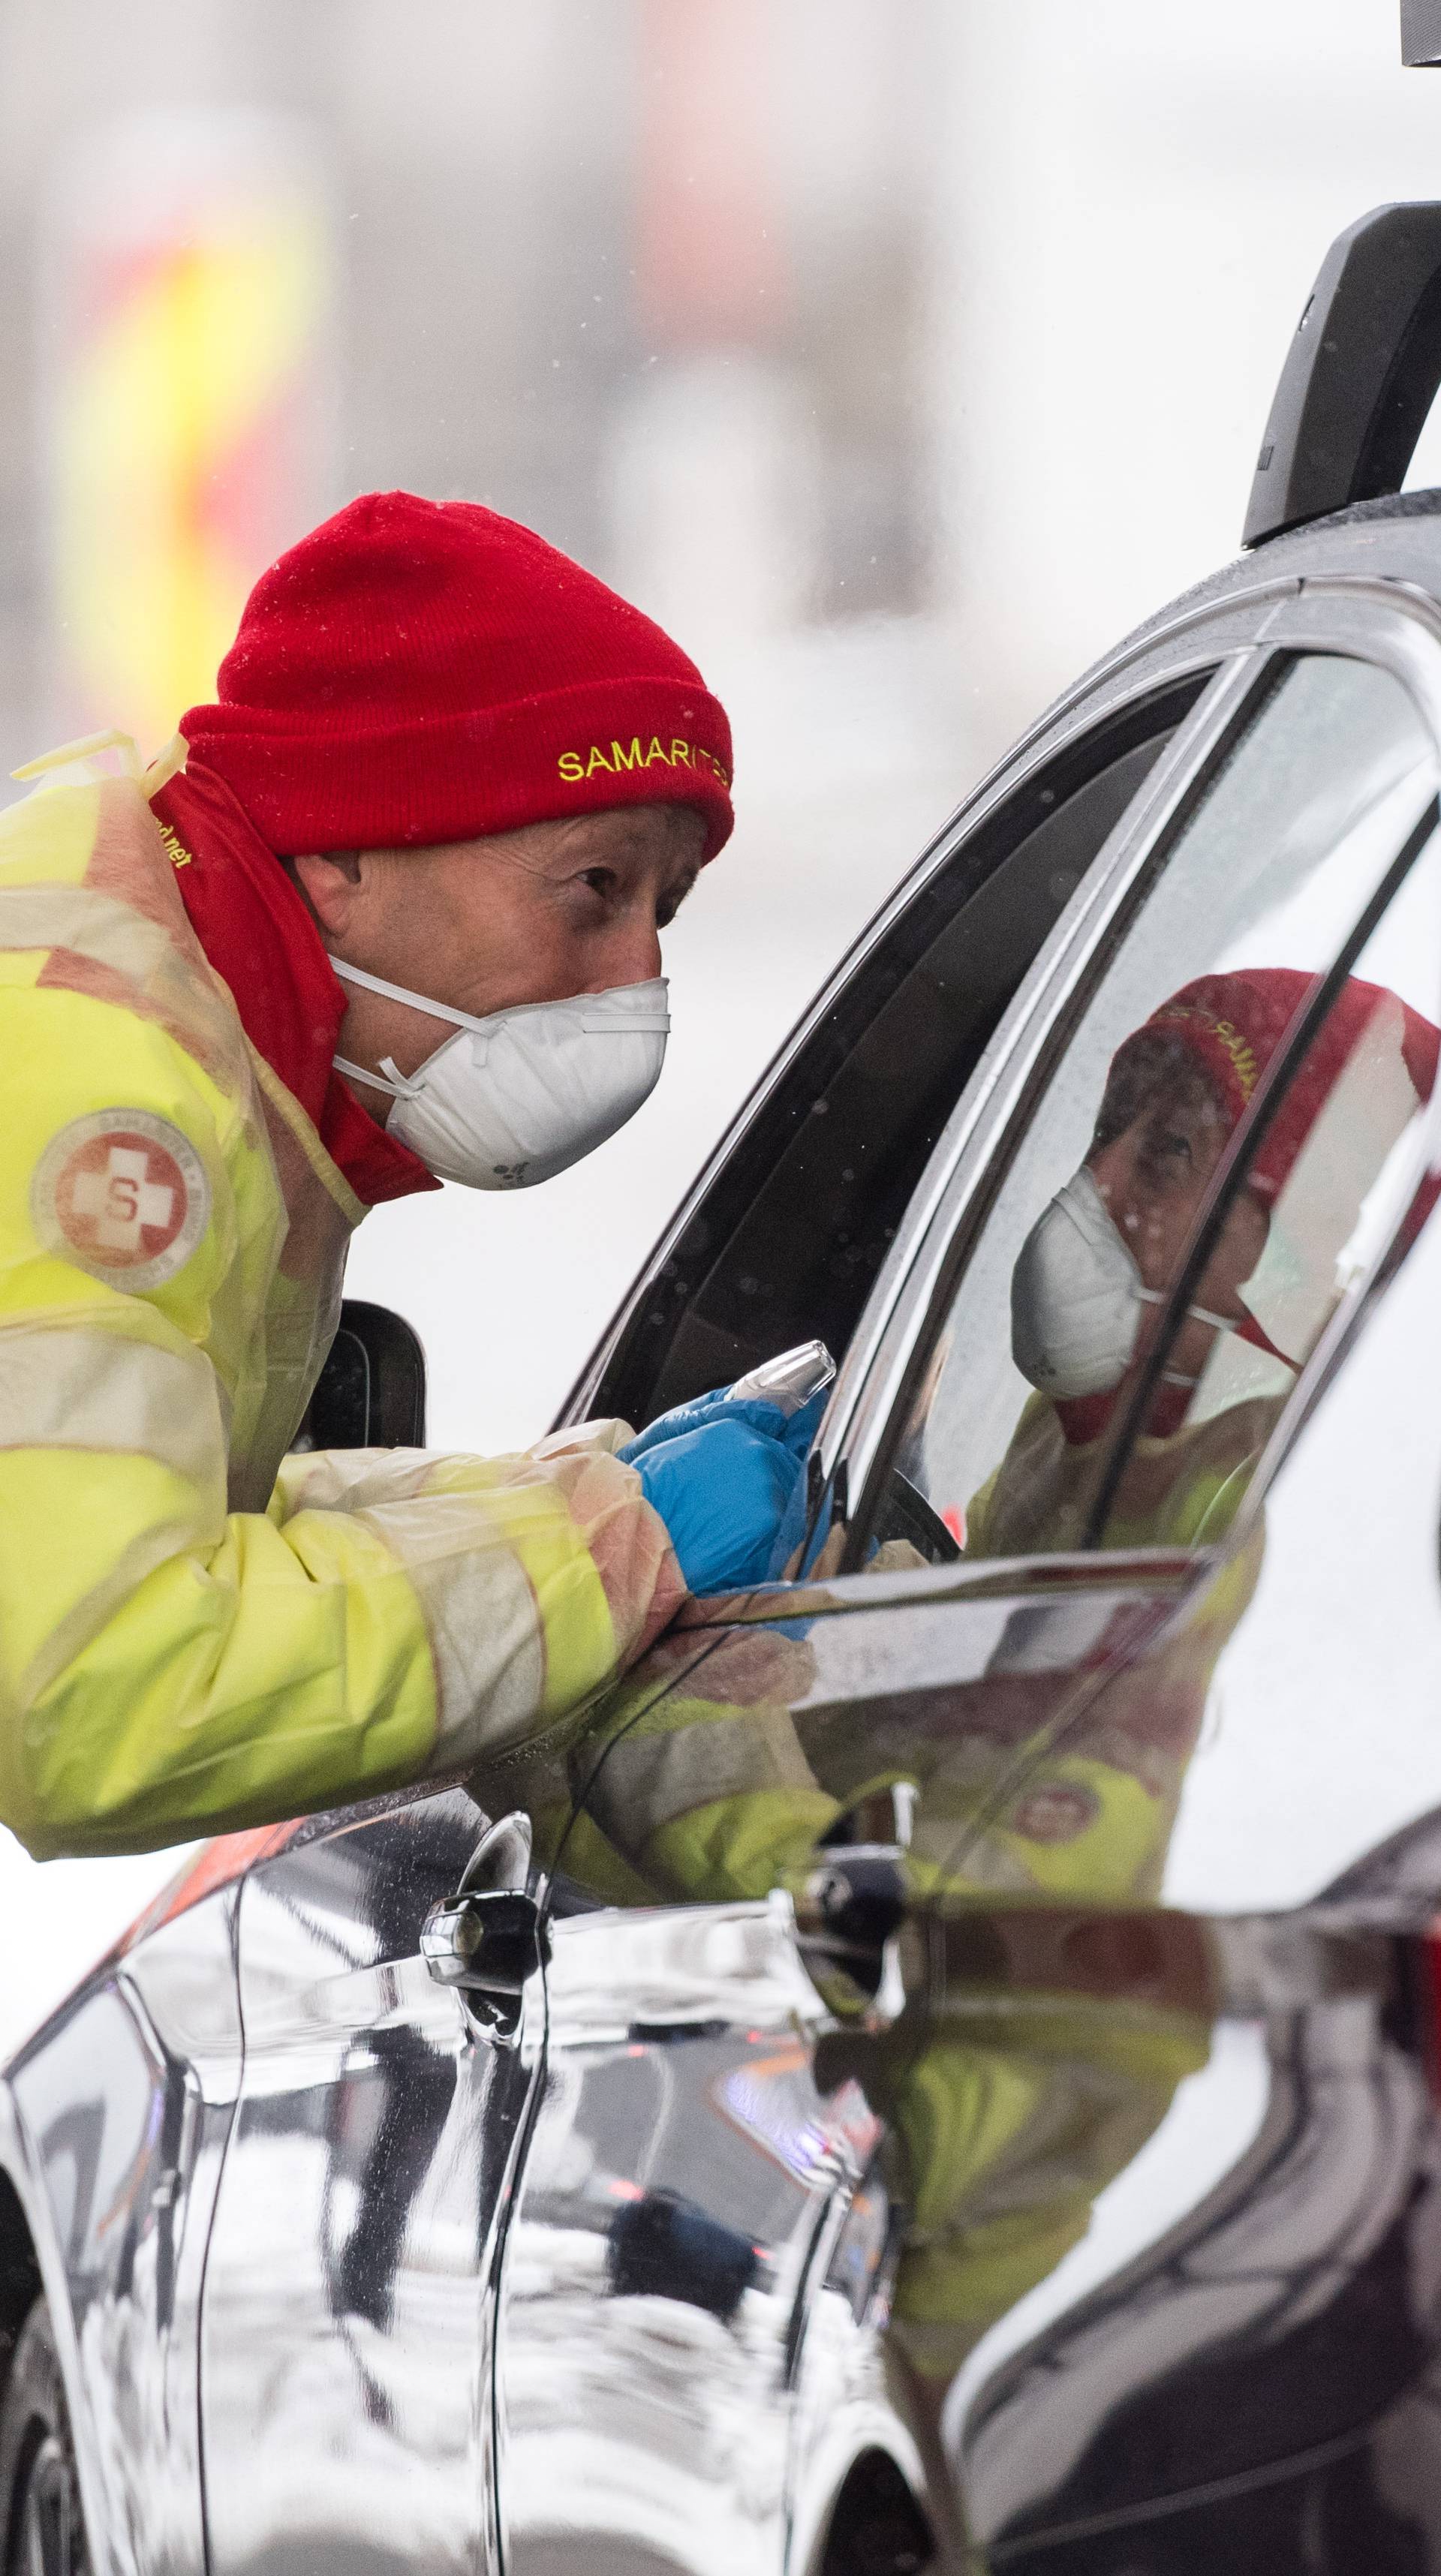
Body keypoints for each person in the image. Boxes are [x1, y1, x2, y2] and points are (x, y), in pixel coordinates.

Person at [0, 491, 809, 1859]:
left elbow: (178, 1514)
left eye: (663, 912)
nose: (642, 984)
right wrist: (609, 1552)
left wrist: (571, 1496)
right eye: (593, 887)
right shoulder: (96, 1068)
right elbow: (92, 1690)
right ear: (342, 849)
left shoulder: (202, 1015)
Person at [967, 965, 1440, 1559]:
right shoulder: (1074, 1426)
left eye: (1171, 1148)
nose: (1097, 1179)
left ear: (1294, 1253)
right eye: (1107, 1130)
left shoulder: (1285, 1521)